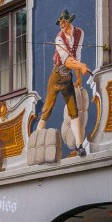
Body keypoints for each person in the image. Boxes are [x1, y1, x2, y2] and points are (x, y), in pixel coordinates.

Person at [36, 9, 90, 157]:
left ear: (69, 21)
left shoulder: (79, 33)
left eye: (64, 22)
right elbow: (67, 60)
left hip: (67, 78)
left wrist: (79, 77)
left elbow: (77, 56)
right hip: (57, 75)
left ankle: (79, 145)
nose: (62, 25)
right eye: (60, 23)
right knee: (47, 108)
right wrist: (80, 66)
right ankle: (35, 141)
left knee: (74, 110)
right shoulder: (59, 38)